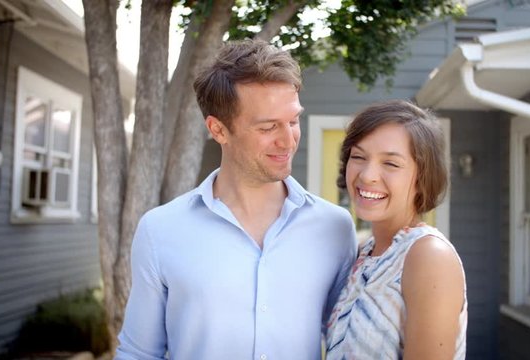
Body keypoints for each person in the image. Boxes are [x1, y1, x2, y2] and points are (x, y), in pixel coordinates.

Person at [115, 39, 357, 360]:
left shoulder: (335, 228)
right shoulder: (160, 230)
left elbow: (350, 344)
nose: (287, 140)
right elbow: (138, 353)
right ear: (218, 129)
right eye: (268, 126)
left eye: (294, 121)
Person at [325, 100, 467, 360]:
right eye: (358, 157)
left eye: (390, 164)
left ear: (422, 178)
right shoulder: (365, 253)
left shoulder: (428, 256)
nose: (367, 175)